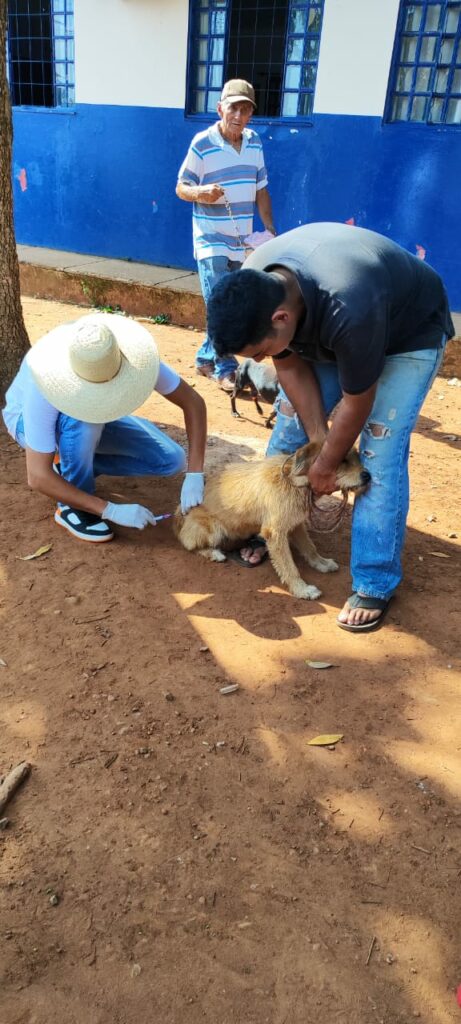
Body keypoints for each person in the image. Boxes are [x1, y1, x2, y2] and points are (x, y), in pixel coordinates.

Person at [206, 222, 454, 632]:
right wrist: (319, 441)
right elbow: (288, 366)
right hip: (327, 329)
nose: (264, 359)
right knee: (291, 434)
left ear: (281, 318)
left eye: (262, 351)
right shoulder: (256, 286)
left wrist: (327, 464)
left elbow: (359, 401)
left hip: (407, 333)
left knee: (379, 455)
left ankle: (375, 580)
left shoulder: (349, 305)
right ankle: (270, 526)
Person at [2, 313, 207, 542]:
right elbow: (38, 475)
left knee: (172, 459)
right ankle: (73, 506)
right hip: (25, 420)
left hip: (93, 417)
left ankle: (66, 470)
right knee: (84, 423)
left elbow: (194, 403)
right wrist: (108, 509)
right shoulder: (45, 383)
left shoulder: (123, 354)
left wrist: (195, 473)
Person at [176, 78, 275, 393]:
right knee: (221, 304)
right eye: (234, 108)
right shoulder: (201, 143)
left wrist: (270, 229)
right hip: (211, 239)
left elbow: (262, 189)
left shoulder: (255, 142)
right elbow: (181, 187)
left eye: (246, 110)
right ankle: (226, 367)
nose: (239, 116)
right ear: (220, 108)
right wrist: (201, 192)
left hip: (242, 241)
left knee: (230, 304)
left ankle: (206, 357)